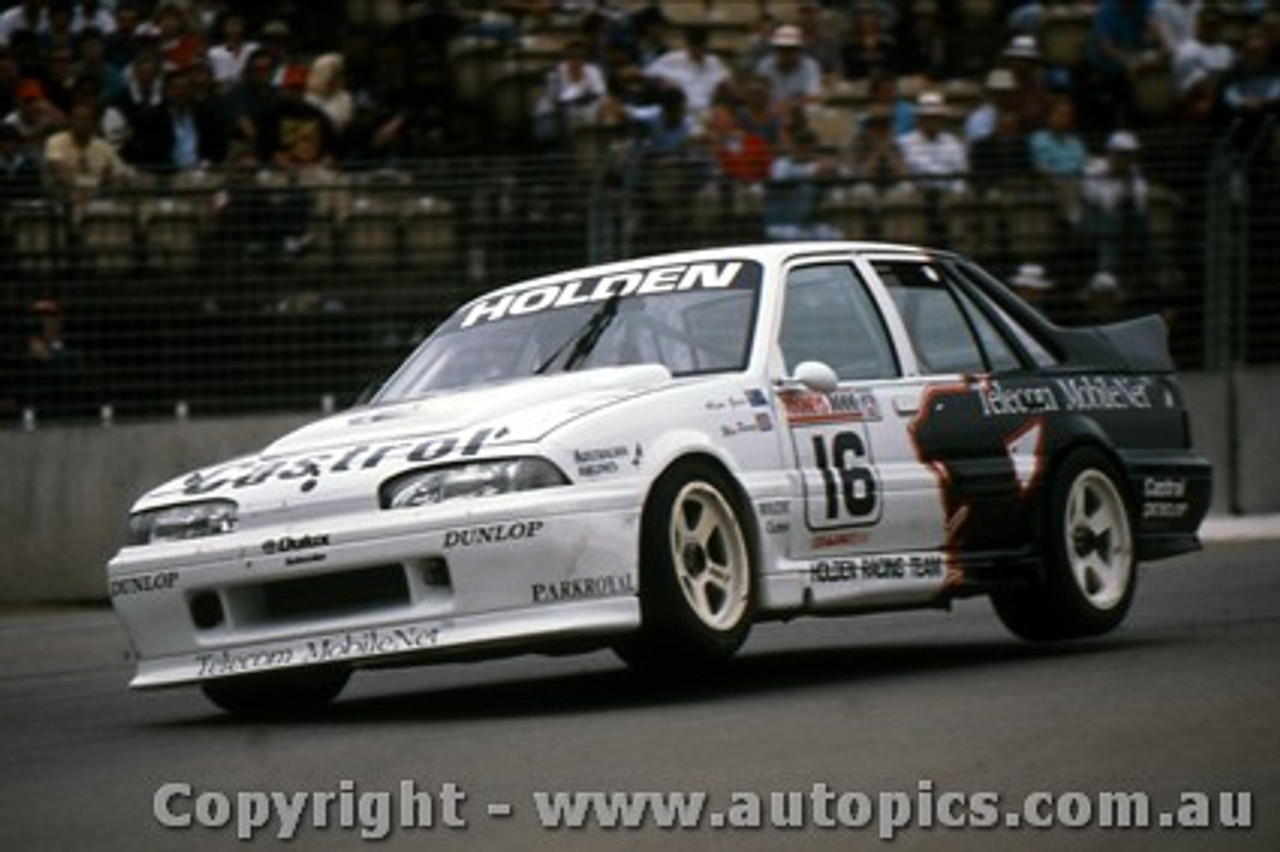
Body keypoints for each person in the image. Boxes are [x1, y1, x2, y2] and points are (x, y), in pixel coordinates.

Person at [1081, 129, 1154, 298]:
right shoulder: (1093, 169)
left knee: (1143, 223)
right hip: (1091, 220)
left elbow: (1140, 206)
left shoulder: (1135, 174)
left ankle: (1154, 272)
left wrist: (1128, 183)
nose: (1128, 159)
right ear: (1111, 153)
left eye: (1131, 154)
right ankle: (1105, 273)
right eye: (1123, 154)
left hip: (1126, 223)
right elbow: (1102, 203)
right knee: (1111, 221)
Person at [764, 127, 841, 241]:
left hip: (808, 224)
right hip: (782, 222)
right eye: (802, 145)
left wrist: (828, 172)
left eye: (809, 146)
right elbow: (782, 180)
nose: (805, 149)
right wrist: (815, 171)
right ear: (795, 146)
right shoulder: (781, 164)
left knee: (834, 235)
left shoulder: (819, 166)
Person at [644, 25, 729, 120]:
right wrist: (662, 83)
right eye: (694, 46)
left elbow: (725, 83)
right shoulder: (671, 59)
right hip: (681, 114)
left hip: (707, 114)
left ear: (705, 45)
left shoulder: (714, 62)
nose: (698, 51)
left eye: (701, 46)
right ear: (689, 45)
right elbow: (647, 74)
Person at [897, 91, 967, 196]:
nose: (932, 122)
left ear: (942, 119)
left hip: (948, 195)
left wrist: (955, 195)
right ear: (919, 119)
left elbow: (960, 174)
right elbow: (902, 176)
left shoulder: (953, 143)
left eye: (935, 117)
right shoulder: (904, 143)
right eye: (927, 117)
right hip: (916, 196)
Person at [755, 24, 823, 114]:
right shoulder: (764, 65)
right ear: (775, 50)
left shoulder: (809, 65)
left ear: (799, 50)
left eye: (791, 49)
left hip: (799, 114)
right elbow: (758, 95)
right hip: (771, 114)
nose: (786, 53)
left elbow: (813, 97)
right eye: (782, 49)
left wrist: (789, 106)